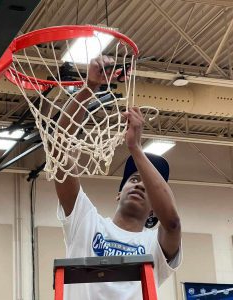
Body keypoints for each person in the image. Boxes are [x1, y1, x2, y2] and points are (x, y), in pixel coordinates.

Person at [55, 56, 182, 300]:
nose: (140, 186)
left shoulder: (155, 244)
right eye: (134, 179)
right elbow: (59, 149)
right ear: (118, 192)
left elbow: (173, 222)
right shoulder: (86, 222)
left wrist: (135, 148)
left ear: (155, 210)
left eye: (149, 186)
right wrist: (88, 88)